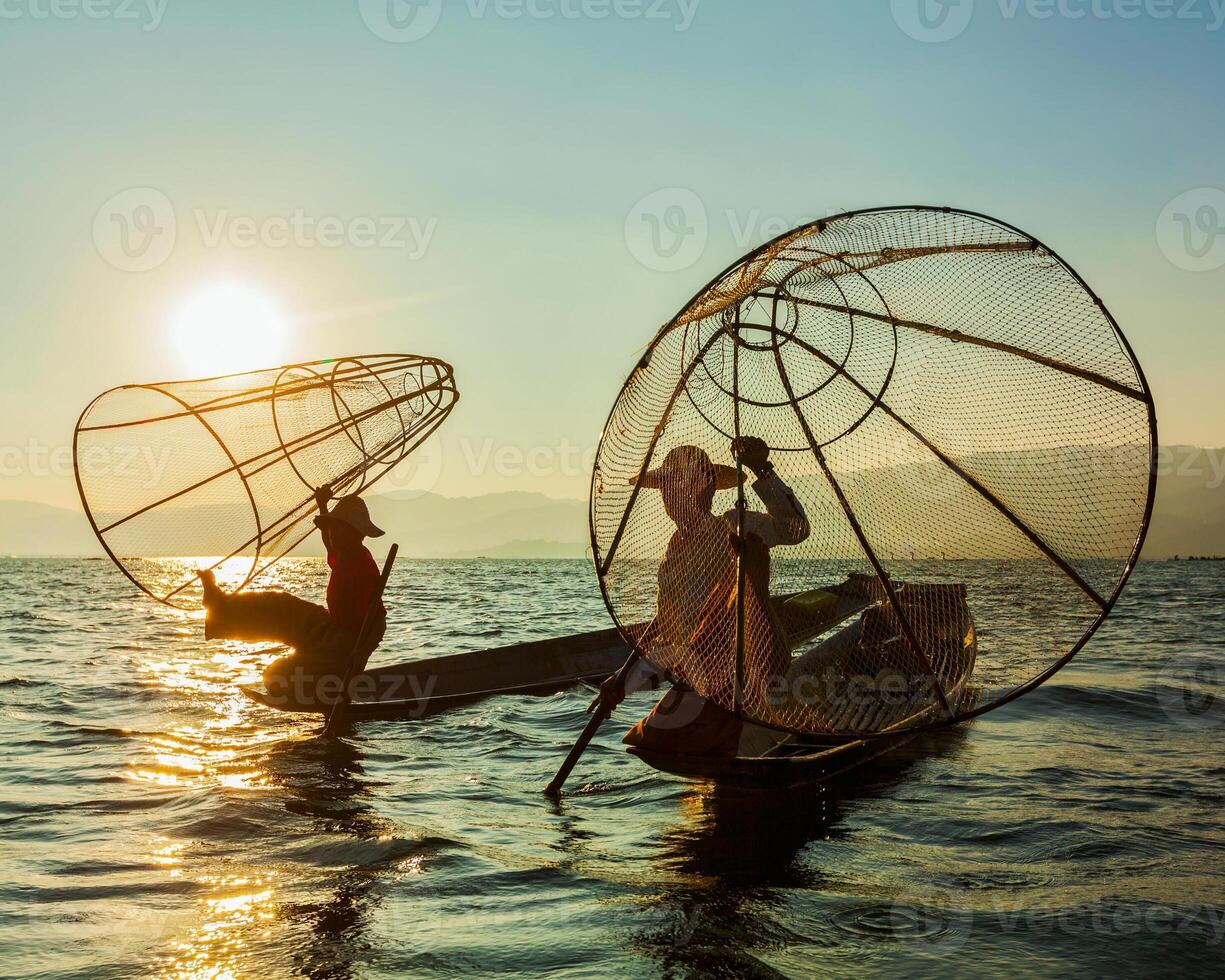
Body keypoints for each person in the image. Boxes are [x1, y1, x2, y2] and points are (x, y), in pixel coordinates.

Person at [608, 436, 810, 757]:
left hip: (746, 674)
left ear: (707, 490)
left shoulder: (736, 525)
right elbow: (667, 630)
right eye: (667, 487)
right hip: (698, 680)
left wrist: (762, 469)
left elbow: (795, 528)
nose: (674, 496)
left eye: (685, 485)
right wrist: (623, 680)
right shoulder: (672, 553)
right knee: (642, 742)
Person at [198, 486, 388, 706]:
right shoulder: (342, 552)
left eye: (338, 529)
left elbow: (378, 622)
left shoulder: (363, 568)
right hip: (329, 625)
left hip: (345, 644)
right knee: (280, 605)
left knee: (275, 676)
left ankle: (322, 687)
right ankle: (220, 607)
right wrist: (323, 505)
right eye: (331, 527)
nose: (332, 534)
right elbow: (328, 540)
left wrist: (359, 656)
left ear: (356, 534)